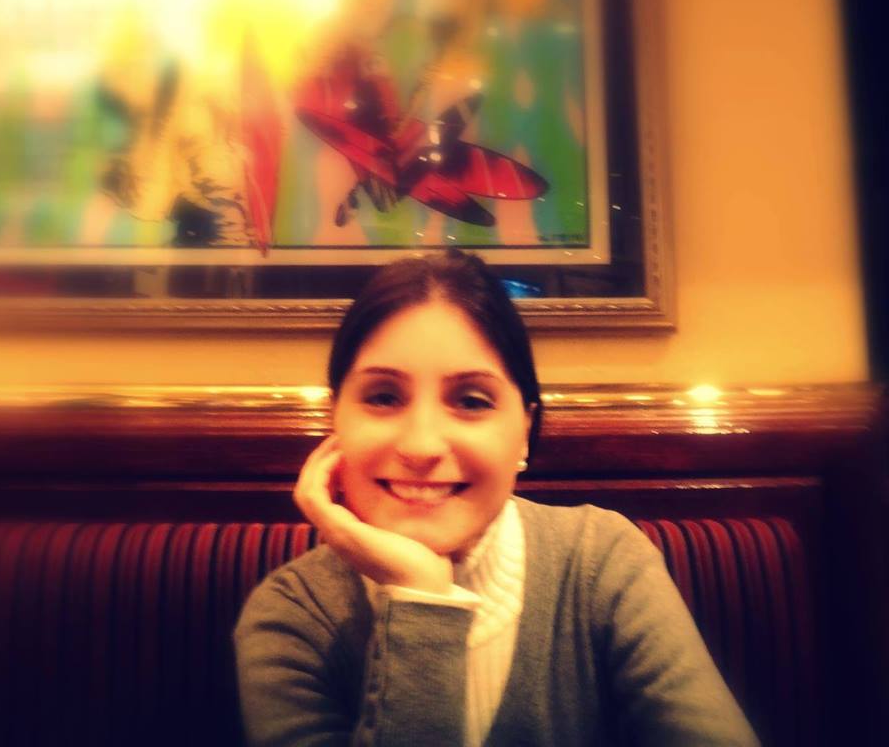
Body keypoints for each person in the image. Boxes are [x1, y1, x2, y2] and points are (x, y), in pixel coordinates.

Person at [234, 251, 758, 746]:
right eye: (384, 397)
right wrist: (420, 597)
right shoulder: (291, 617)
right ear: (335, 419)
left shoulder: (601, 562)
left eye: (470, 401)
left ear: (524, 431)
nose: (422, 445)